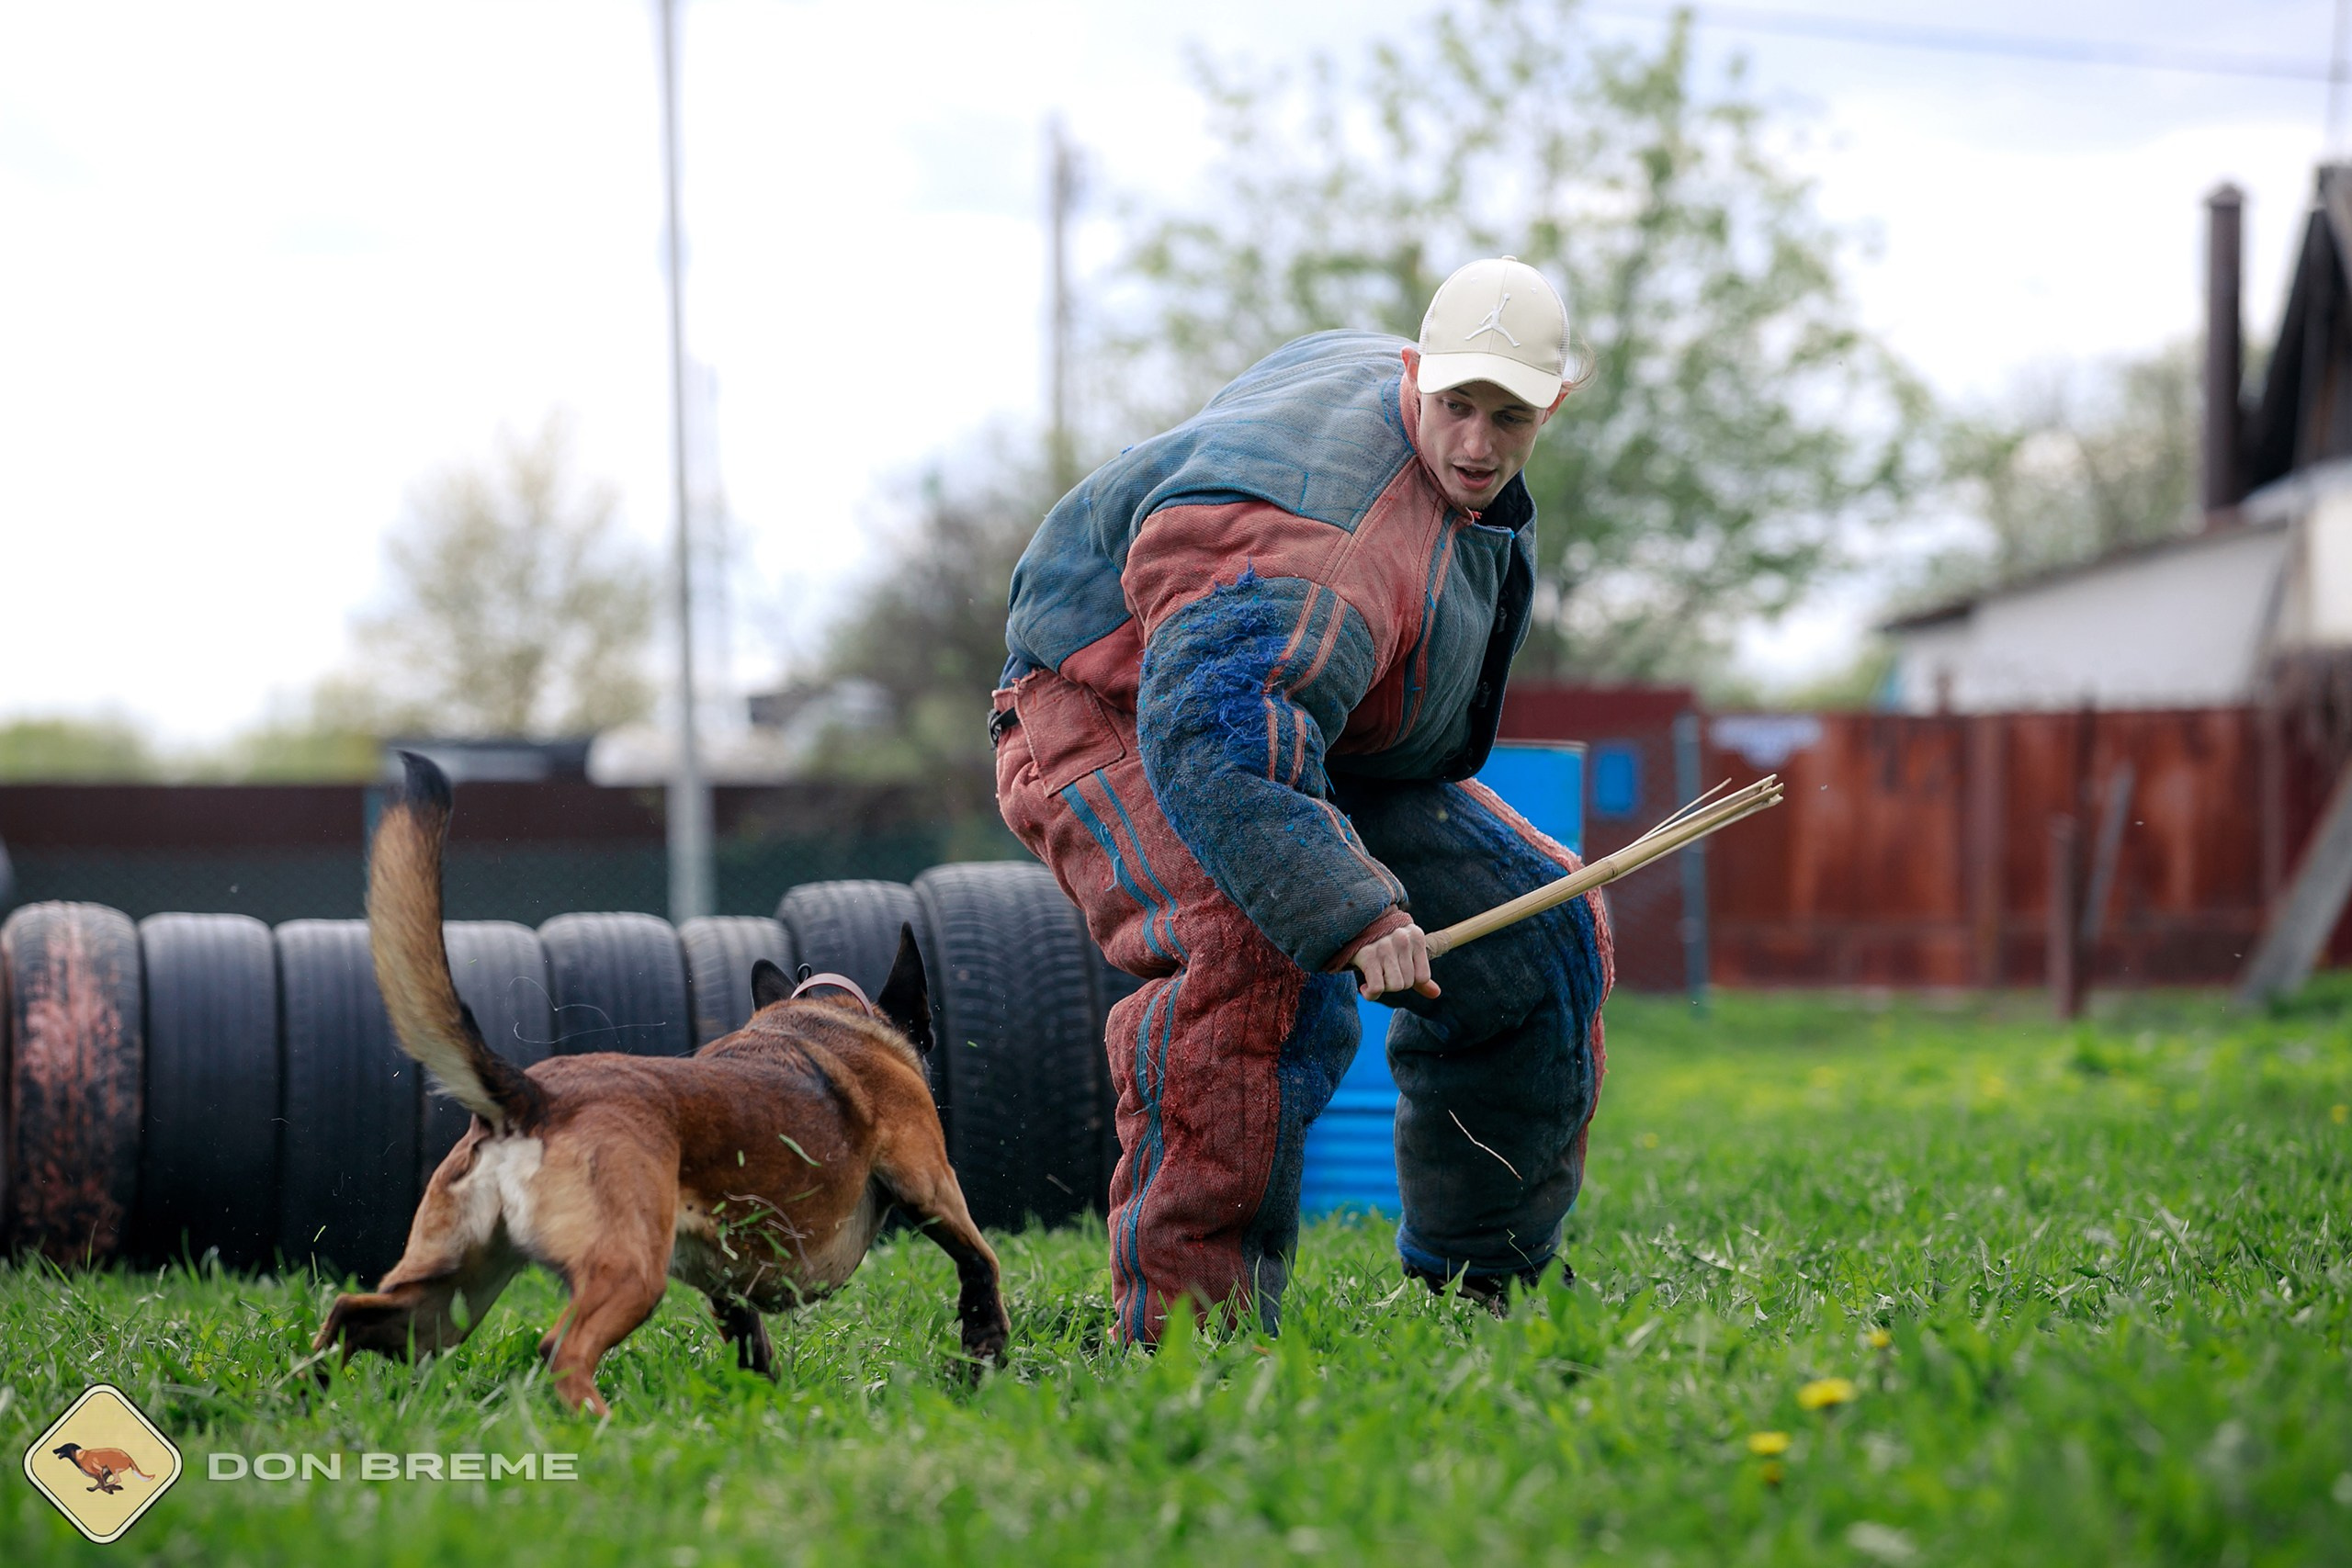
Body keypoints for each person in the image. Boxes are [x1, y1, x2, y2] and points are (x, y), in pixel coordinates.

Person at [992, 256, 1613, 1343]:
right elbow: (1217, 744)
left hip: (1313, 728)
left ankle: (1486, 1286)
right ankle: (1188, 1338)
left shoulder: (1418, 426)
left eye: (1507, 415)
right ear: (1413, 373)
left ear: (1553, 403)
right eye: (1453, 406)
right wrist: (1356, 910)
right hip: (1104, 709)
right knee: (1256, 954)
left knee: (1543, 927)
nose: (1474, 443)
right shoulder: (1311, 551)